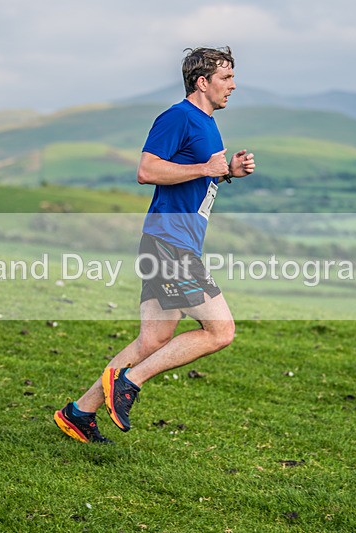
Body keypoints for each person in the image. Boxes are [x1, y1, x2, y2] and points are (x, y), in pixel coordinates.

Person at [54, 46, 255, 443]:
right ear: (203, 82)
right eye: (226, 78)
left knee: (154, 339)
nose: (234, 85)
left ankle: (78, 413)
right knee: (220, 331)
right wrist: (205, 167)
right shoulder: (178, 116)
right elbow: (146, 171)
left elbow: (196, 179)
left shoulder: (208, 124)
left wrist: (225, 173)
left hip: (172, 242)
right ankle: (129, 382)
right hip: (169, 243)